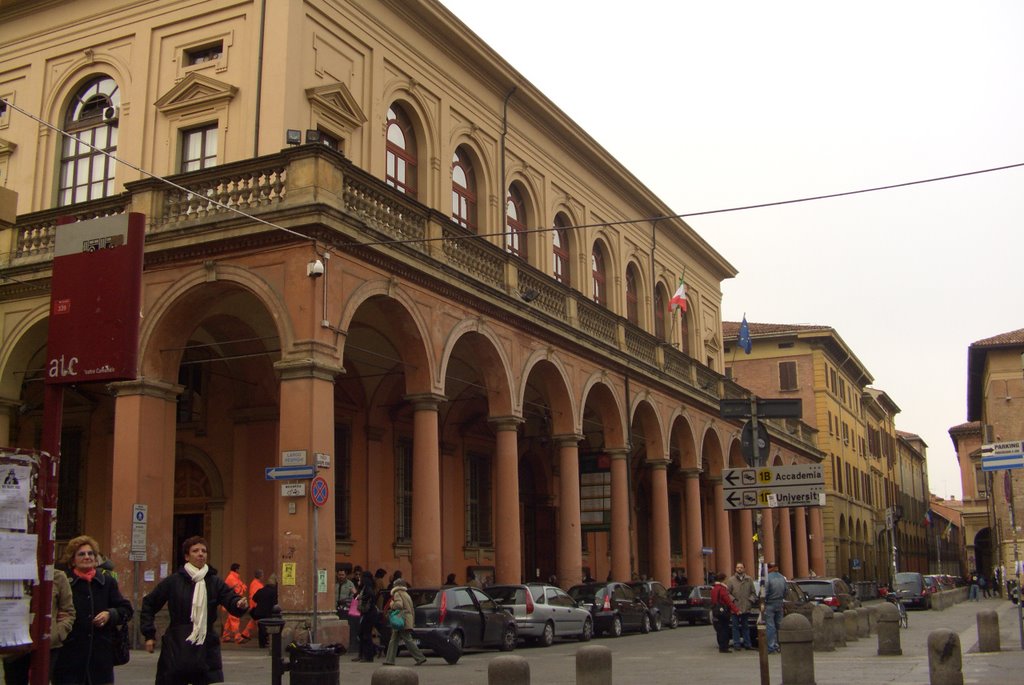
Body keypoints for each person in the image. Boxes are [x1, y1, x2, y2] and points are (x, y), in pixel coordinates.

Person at [141, 536, 249, 685]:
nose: (200, 554)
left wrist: (238, 603)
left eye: (204, 551)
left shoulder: (214, 581)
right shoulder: (174, 581)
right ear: (187, 556)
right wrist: (149, 634)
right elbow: (149, 603)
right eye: (195, 551)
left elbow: (229, 598)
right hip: (177, 644)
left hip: (204, 645)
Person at [52, 535, 133, 685]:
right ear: (72, 559)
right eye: (81, 554)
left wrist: (110, 614)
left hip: (100, 657)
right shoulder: (64, 582)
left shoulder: (107, 581)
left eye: (90, 554)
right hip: (69, 656)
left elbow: (126, 609)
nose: (87, 557)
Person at [3, 568, 75, 685]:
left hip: (47, 646)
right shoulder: (10, 576)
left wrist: (57, 633)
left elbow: (69, 612)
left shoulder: (58, 576)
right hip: (15, 646)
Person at [382, 579, 427, 666]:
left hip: (401, 620)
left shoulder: (397, 593)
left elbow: (399, 605)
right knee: (394, 640)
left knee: (406, 640)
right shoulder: (406, 594)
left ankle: (420, 657)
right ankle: (389, 660)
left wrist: (391, 604)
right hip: (406, 619)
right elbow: (411, 609)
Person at [725, 563, 757, 651]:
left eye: (741, 567)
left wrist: (750, 601)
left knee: (745, 627)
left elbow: (753, 593)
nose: (739, 569)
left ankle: (747, 644)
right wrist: (733, 600)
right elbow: (727, 593)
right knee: (735, 627)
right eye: (738, 567)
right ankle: (737, 644)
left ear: (744, 569)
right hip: (735, 607)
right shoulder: (731, 580)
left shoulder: (749, 579)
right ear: (735, 569)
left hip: (746, 607)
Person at [710, 572, 740, 653]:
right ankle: (724, 647)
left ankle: (721, 646)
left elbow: (713, 600)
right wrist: (736, 610)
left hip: (715, 610)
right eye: (726, 579)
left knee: (719, 629)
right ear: (723, 580)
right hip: (723, 611)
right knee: (724, 629)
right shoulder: (722, 589)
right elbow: (728, 602)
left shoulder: (713, 589)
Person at [355, 570, 379, 662]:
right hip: (368, 613)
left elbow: (368, 597)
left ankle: (369, 656)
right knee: (362, 634)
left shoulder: (368, 589)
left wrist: (359, 597)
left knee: (365, 634)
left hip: (369, 614)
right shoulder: (365, 587)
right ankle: (368, 653)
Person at [220, 563, 247, 642]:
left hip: (232, 602)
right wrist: (242, 588)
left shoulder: (234, 577)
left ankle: (225, 636)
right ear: (237, 569)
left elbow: (242, 587)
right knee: (235, 619)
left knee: (230, 620)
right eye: (239, 569)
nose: (240, 570)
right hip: (233, 603)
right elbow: (238, 590)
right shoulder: (232, 578)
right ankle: (237, 637)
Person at [764, 562, 787, 654]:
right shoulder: (782, 578)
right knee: (779, 625)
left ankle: (771, 646)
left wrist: (764, 600)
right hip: (780, 603)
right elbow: (786, 591)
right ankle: (780, 645)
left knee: (770, 625)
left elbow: (765, 591)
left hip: (770, 603)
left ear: (769, 568)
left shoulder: (768, 578)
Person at [250, 574, 278, 648]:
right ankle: (268, 642)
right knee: (269, 628)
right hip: (269, 612)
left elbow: (254, 598)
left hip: (259, 612)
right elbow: (275, 602)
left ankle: (262, 644)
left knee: (261, 628)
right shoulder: (274, 592)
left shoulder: (261, 590)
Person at [238, 569, 264, 643]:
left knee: (253, 621)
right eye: (262, 575)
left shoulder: (255, 583)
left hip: (255, 606)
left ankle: (245, 635)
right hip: (256, 607)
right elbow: (255, 597)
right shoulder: (256, 584)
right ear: (260, 576)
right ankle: (262, 638)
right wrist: (256, 606)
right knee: (259, 623)